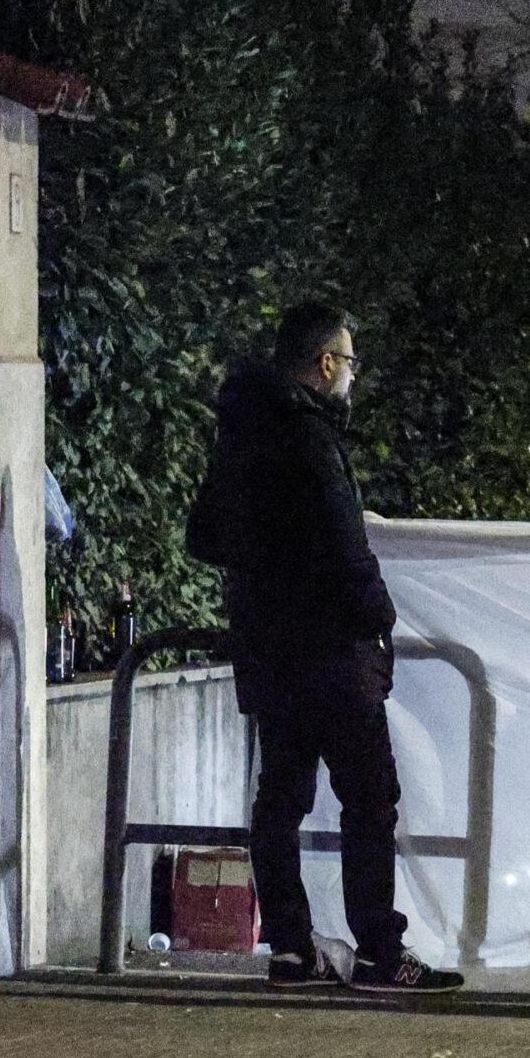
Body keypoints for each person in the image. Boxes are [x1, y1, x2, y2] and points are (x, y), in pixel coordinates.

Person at [185, 301, 463, 994]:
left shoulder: (240, 435)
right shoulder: (311, 438)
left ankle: (289, 948)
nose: (351, 377)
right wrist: (379, 616)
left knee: (280, 799)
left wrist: (267, 557)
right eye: (349, 362)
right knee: (370, 798)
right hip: (332, 652)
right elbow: (346, 545)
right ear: (326, 363)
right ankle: (378, 951)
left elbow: (203, 536)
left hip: (267, 649)